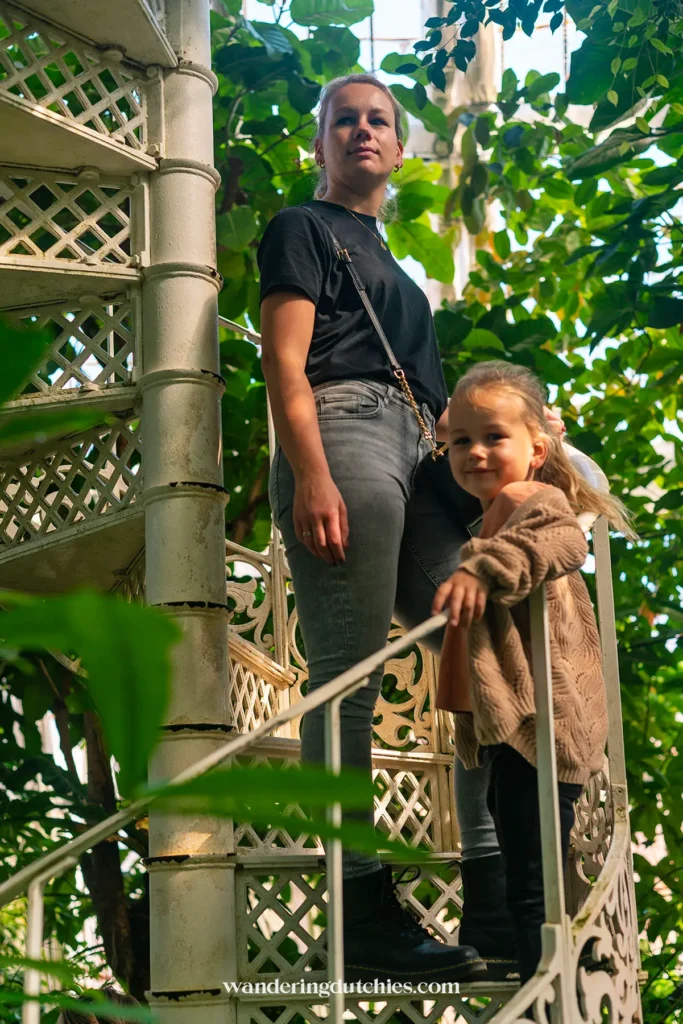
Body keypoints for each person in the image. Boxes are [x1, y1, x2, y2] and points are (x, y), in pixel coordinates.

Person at [259, 71, 562, 983]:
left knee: (481, 637)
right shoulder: (301, 227)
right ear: (321, 143)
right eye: (343, 120)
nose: (362, 130)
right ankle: (359, 910)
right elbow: (284, 361)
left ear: (398, 147)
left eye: (378, 121)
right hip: (344, 432)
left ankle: (493, 896)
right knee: (348, 677)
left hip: (421, 456)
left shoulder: (384, 255)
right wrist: (311, 472)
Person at [432, 360, 633, 985]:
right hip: (522, 728)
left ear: (537, 449)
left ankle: (547, 993)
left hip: (540, 726)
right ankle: (567, 965)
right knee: (534, 866)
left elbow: (566, 543)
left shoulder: (530, 498)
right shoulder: (498, 508)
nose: (475, 452)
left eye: (495, 437)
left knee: (528, 881)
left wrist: (483, 569)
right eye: (461, 441)